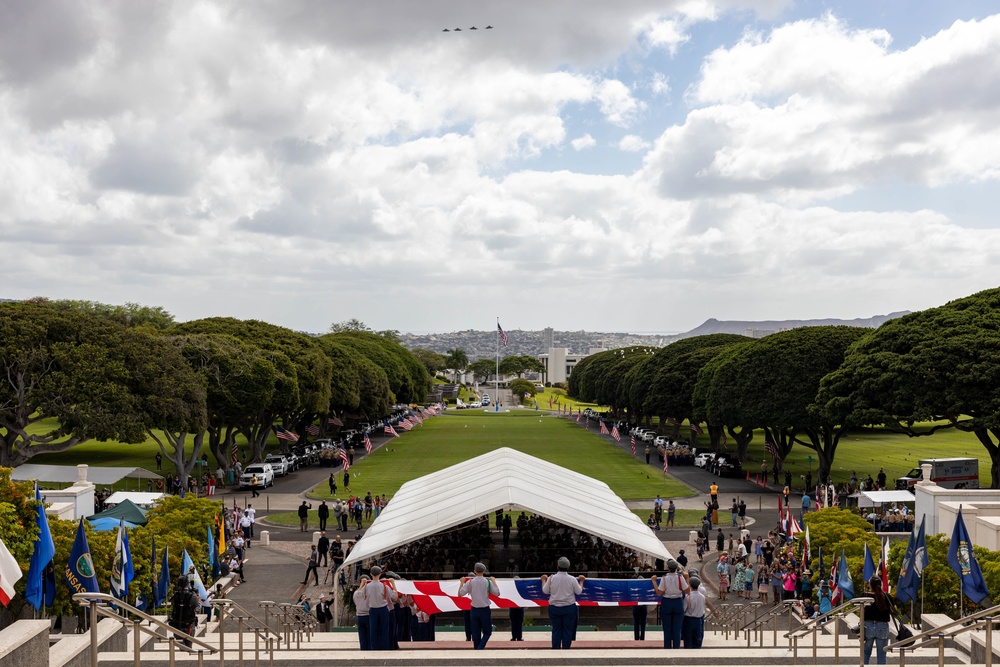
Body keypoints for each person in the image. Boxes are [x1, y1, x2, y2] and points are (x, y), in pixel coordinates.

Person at [541, 556, 584, 649]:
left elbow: (545, 590)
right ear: (568, 567)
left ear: (557, 566)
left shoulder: (552, 578)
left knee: (556, 629)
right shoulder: (572, 579)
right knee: (568, 630)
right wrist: (581, 581)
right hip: (569, 607)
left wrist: (543, 580)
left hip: (554, 607)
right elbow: (579, 591)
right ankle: (566, 649)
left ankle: (555, 648)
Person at [458, 562, 497, 650]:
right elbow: (497, 593)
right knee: (487, 632)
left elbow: (460, 594)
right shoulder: (488, 582)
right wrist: (494, 582)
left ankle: (477, 648)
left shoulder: (470, 582)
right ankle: (480, 647)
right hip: (485, 609)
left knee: (475, 632)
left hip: (474, 610)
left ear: (475, 571)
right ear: (484, 571)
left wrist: (462, 583)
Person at [652, 559, 690, 648]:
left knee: (667, 628)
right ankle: (676, 648)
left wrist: (654, 581)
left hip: (667, 602)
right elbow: (687, 591)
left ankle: (667, 648)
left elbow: (659, 593)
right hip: (678, 602)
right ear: (676, 568)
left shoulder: (664, 578)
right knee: (677, 628)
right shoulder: (680, 577)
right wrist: (687, 578)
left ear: (667, 568)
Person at [364, 566, 397, 650]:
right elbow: (395, 597)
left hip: (373, 609)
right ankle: (384, 648)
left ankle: (374, 648)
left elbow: (363, 596)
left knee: (373, 630)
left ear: (370, 574)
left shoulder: (367, 586)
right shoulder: (384, 586)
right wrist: (393, 584)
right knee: (384, 630)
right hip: (383, 609)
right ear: (380, 574)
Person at [864, 576, 891, 664]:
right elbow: (894, 608)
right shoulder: (886, 596)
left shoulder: (865, 596)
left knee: (866, 653)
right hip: (882, 626)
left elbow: (858, 609)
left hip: (868, 626)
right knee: (881, 654)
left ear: (870, 585)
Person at [168, 576, 199, 648]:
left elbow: (172, 604)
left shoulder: (175, 595)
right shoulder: (192, 595)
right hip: (189, 623)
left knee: (180, 643)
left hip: (177, 622)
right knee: (189, 643)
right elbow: (197, 608)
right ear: (187, 584)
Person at [683, 576, 712, 648]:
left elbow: (684, 608)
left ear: (690, 585)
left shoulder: (688, 596)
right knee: (697, 639)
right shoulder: (702, 596)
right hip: (698, 619)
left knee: (688, 639)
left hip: (689, 619)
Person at [354, 575, 371, 650]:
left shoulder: (356, 593)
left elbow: (355, 601)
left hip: (360, 615)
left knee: (362, 636)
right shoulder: (370, 592)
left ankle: (363, 649)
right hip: (368, 615)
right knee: (370, 636)